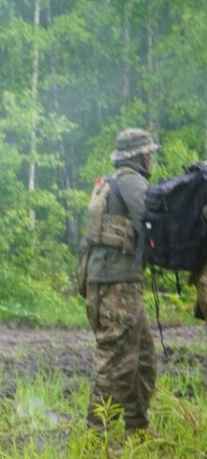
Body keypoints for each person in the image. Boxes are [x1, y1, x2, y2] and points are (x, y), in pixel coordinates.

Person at [81, 127, 159, 434]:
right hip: (117, 286)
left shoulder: (109, 183)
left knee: (143, 360)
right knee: (115, 363)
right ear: (140, 155)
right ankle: (98, 437)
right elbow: (151, 224)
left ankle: (136, 428)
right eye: (150, 151)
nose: (152, 156)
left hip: (106, 282)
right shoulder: (132, 182)